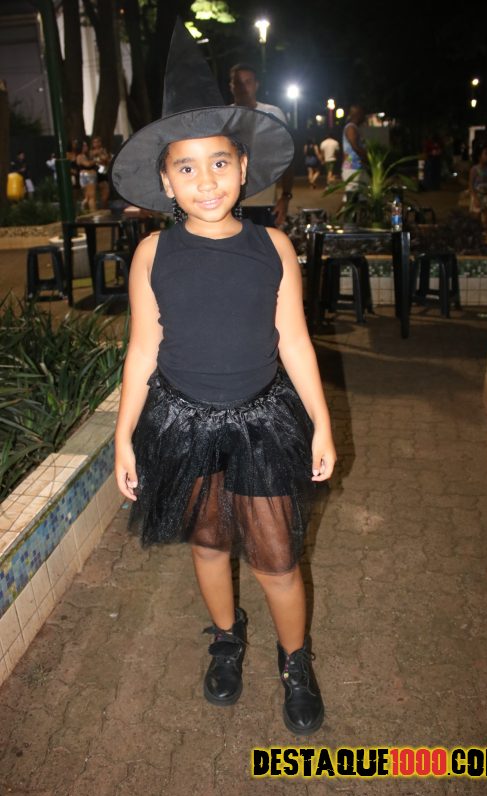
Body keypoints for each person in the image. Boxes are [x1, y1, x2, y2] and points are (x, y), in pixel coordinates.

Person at [112, 19, 336, 735]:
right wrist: (123, 437)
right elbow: (142, 350)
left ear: (242, 167)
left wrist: (321, 423)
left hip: (262, 420)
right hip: (181, 422)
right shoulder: (153, 254)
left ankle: (295, 661)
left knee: (276, 558)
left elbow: (294, 341)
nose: (204, 181)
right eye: (185, 168)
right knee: (208, 544)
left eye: (217, 163)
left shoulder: (273, 246)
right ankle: (227, 638)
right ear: (165, 181)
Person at [229, 63, 294, 225]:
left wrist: (285, 196)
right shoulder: (224, 117)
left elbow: (287, 158)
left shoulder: (273, 114)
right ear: (231, 86)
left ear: (256, 85)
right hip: (229, 204)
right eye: (238, 82)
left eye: (248, 82)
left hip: (264, 203)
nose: (243, 87)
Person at [342, 105, 368, 198]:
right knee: (352, 198)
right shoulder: (351, 128)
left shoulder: (353, 127)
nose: (364, 117)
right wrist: (367, 158)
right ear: (358, 115)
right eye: (363, 114)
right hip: (352, 168)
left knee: (358, 199)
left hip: (355, 167)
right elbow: (355, 147)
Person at [90, 135, 111, 208]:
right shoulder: (92, 152)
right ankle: (102, 207)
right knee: (104, 190)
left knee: (106, 191)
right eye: (94, 142)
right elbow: (99, 159)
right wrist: (101, 155)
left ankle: (104, 206)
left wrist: (104, 157)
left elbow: (106, 159)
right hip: (97, 172)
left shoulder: (104, 150)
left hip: (104, 171)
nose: (96, 144)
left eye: (97, 142)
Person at [76, 140, 97, 211]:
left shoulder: (86, 156)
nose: (86, 147)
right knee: (92, 196)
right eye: (84, 146)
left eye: (86, 146)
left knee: (88, 197)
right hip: (88, 177)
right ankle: (93, 212)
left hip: (89, 176)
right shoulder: (80, 156)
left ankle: (85, 209)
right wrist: (95, 160)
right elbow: (87, 164)